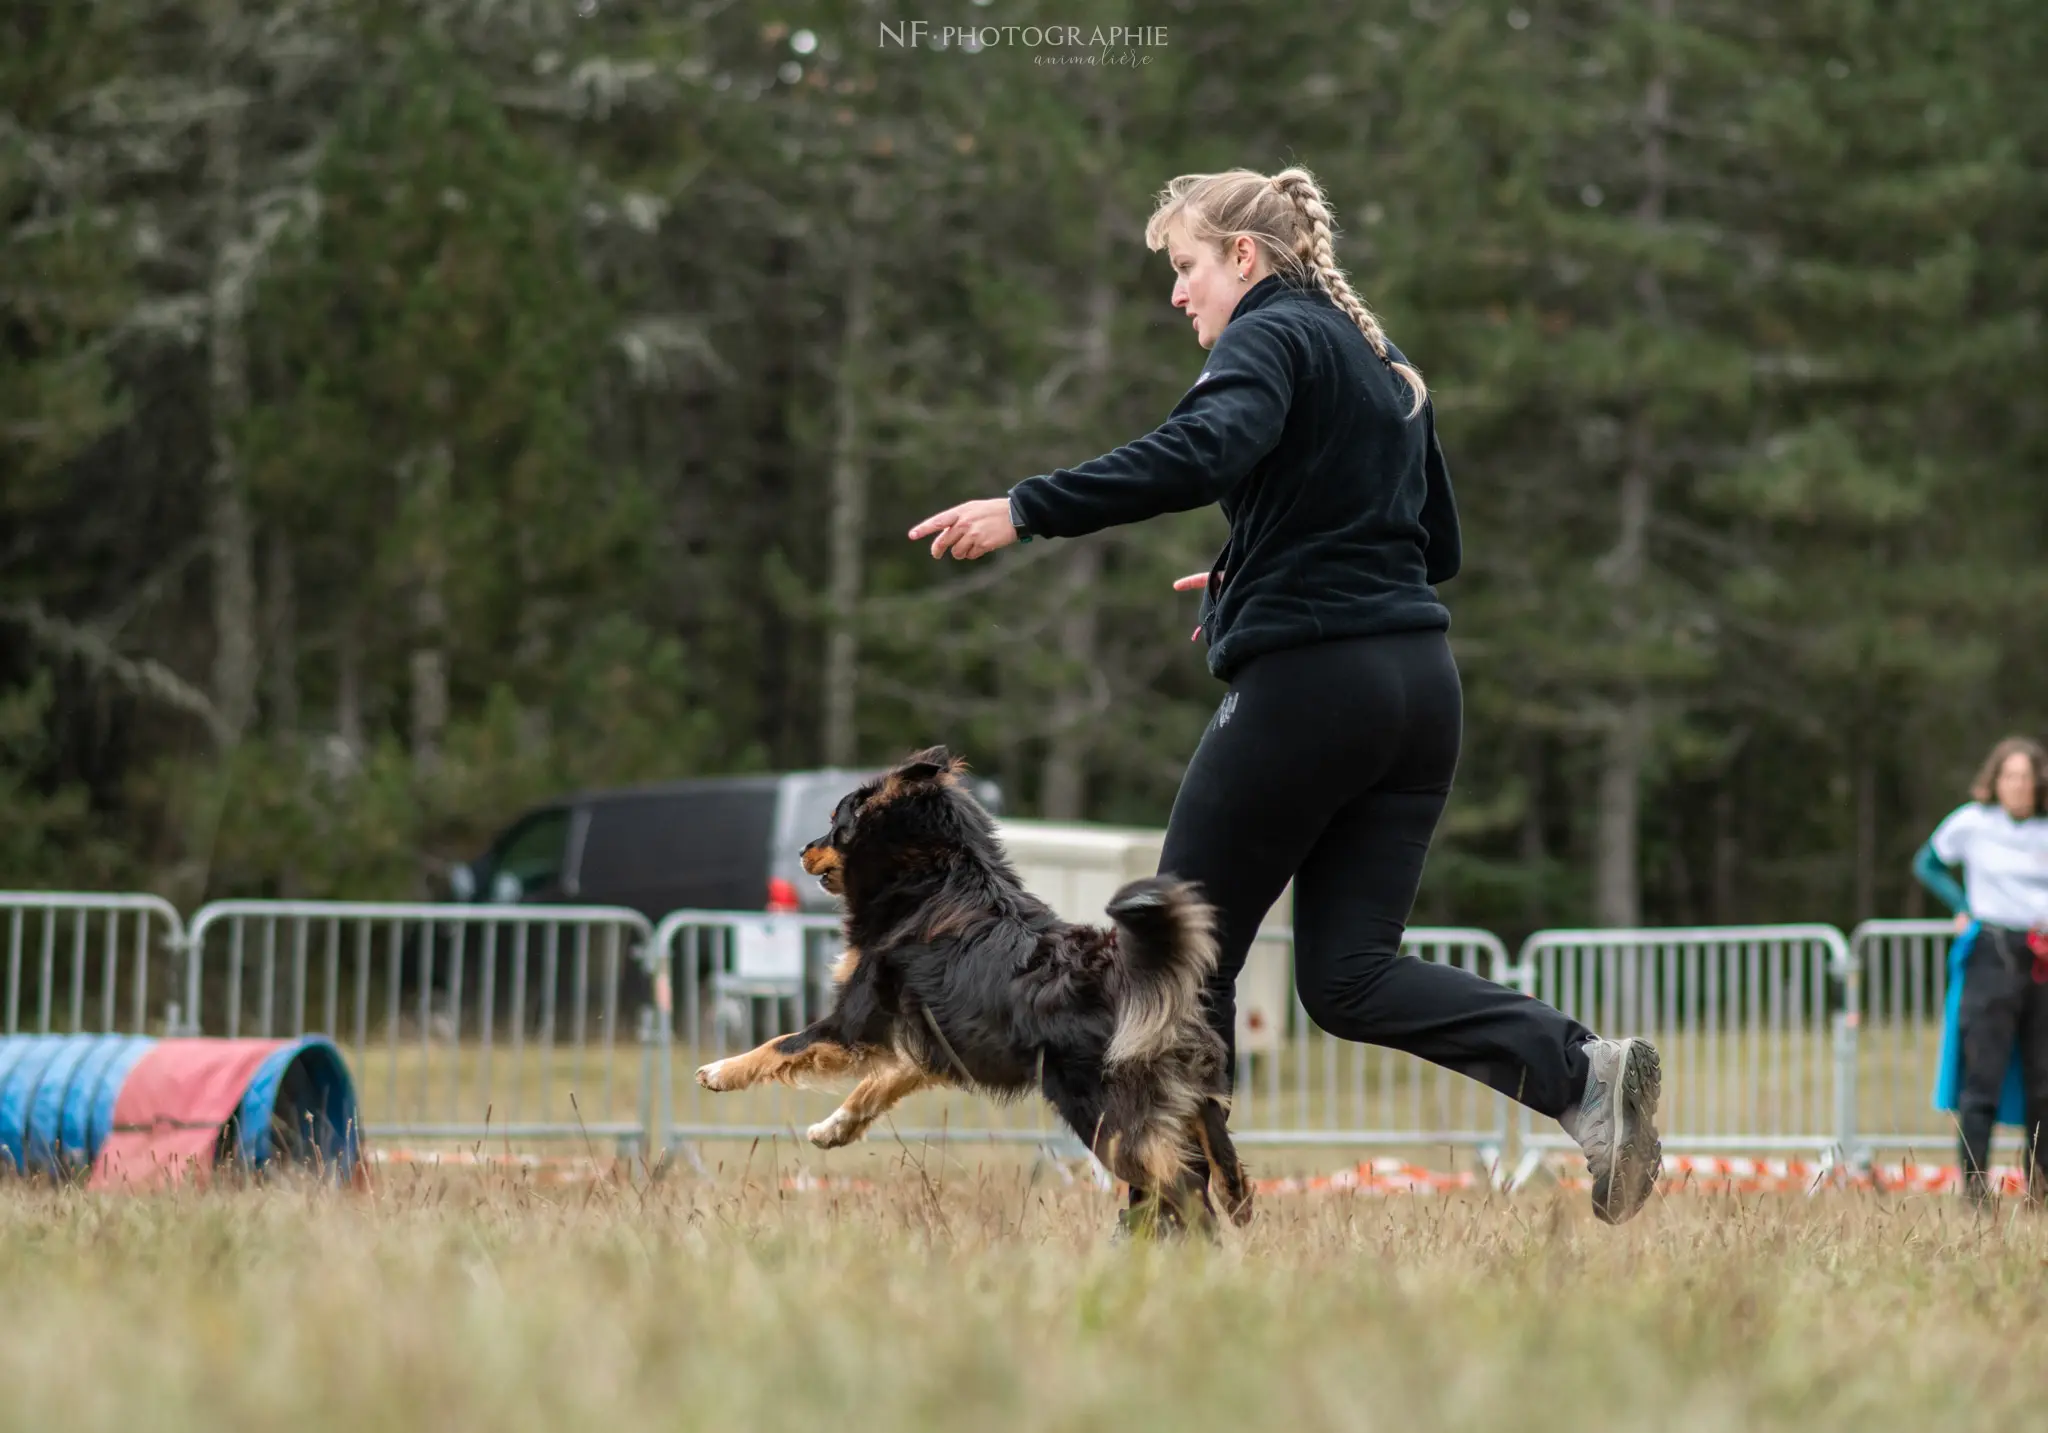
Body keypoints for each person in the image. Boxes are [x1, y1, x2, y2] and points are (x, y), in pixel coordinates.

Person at [906, 165, 1663, 1226]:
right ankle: (1582, 1072)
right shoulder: (1379, 355)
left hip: (1312, 687)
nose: (1176, 294)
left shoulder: (1269, 332)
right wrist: (1249, 564)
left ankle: (1172, 1218)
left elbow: (1201, 447)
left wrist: (1027, 507)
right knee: (1346, 976)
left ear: (1244, 258)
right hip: (1416, 694)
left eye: (1184, 267)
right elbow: (1430, 543)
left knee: (1164, 957)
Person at [1913, 735, 2048, 1204]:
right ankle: (1975, 1190)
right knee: (1981, 1077)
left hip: (2042, 957)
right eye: (2010, 776)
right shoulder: (1973, 823)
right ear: (1996, 780)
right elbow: (1927, 863)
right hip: (1993, 953)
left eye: (2026, 778)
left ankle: (2041, 1188)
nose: (2018, 785)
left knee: (2043, 1079)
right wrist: (1961, 905)